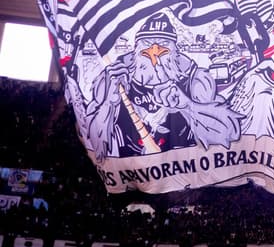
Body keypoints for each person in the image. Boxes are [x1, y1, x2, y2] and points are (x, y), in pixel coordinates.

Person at [86, 12, 242, 158]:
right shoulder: (114, 76)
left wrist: (188, 105)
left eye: (163, 44)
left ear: (175, 50)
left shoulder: (194, 78)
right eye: (147, 43)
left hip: (185, 167)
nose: (155, 50)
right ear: (136, 48)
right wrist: (109, 103)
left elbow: (229, 133)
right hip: (134, 173)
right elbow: (96, 143)